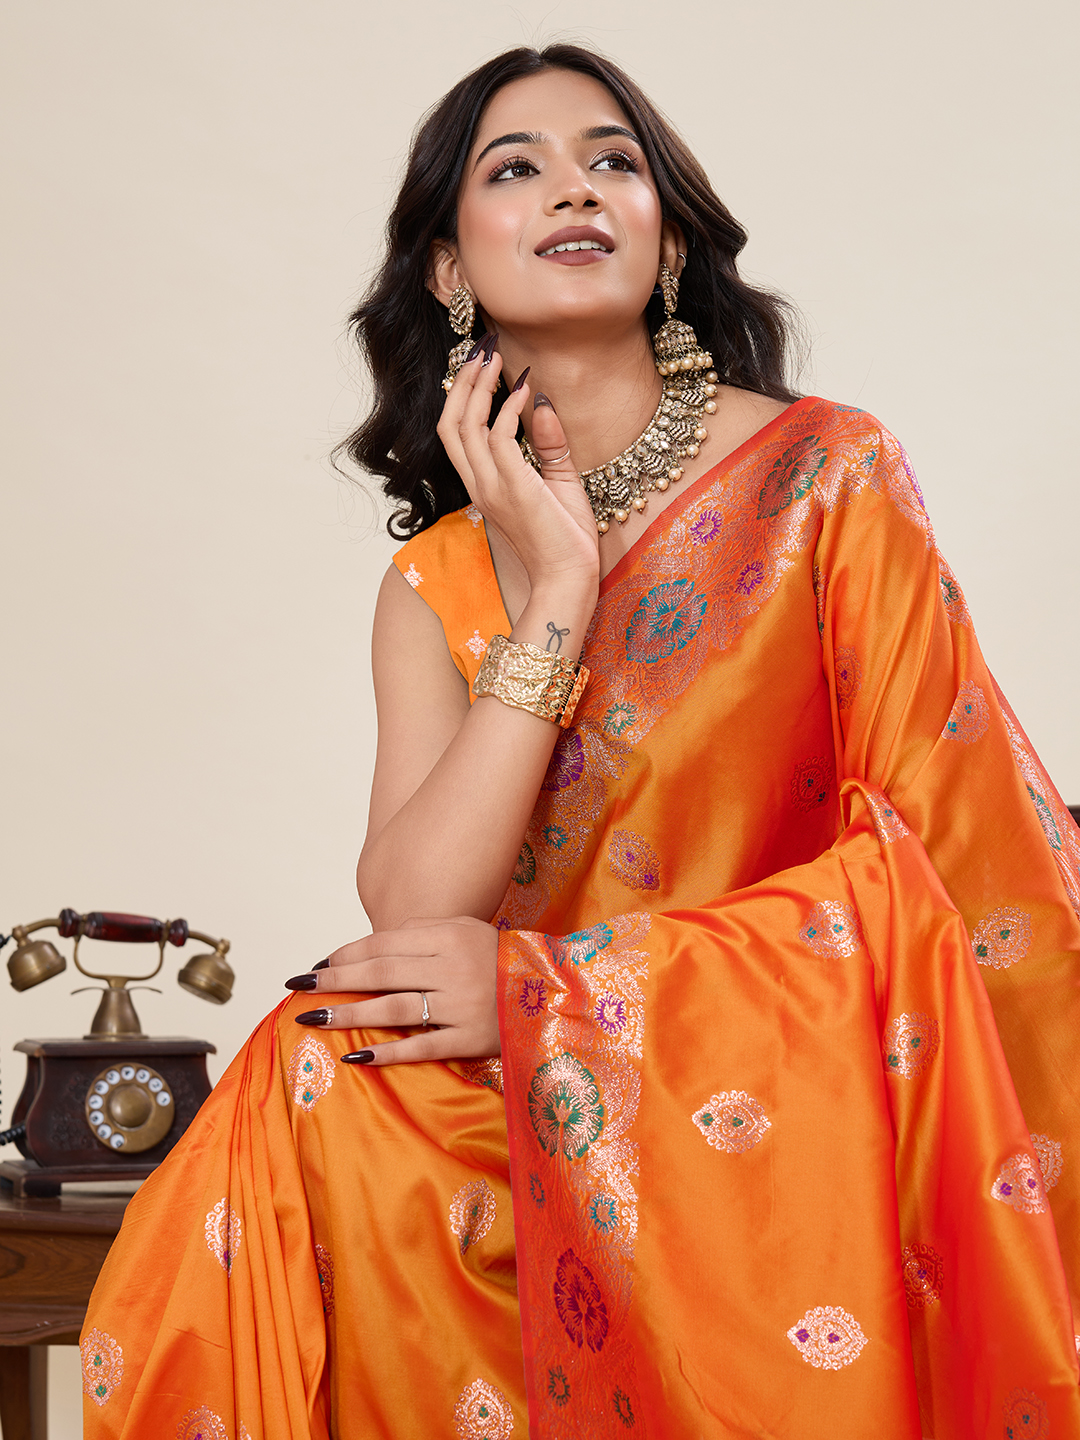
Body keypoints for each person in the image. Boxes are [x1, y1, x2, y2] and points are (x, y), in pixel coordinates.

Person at [81, 44, 1080, 1440]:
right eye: (518, 167)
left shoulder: (827, 477)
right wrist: (556, 591)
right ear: (449, 268)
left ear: (668, 242)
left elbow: (940, 871)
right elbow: (417, 908)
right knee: (315, 1076)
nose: (575, 188)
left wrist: (560, 997)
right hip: (544, 1107)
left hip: (784, 1101)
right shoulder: (436, 579)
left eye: (615, 161)